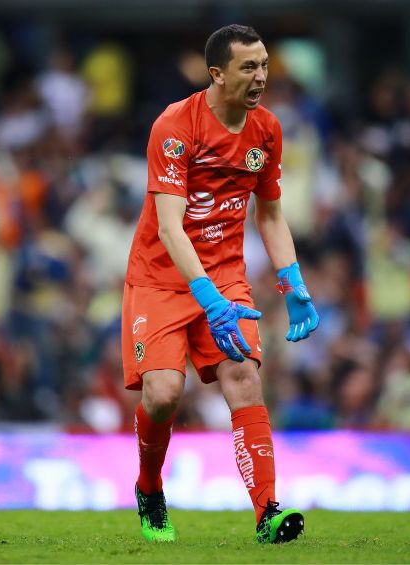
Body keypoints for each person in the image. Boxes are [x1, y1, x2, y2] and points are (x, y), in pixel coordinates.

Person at [121, 24, 319, 544]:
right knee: (163, 395)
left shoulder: (267, 130)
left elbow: (271, 216)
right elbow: (169, 227)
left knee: (245, 379)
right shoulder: (174, 126)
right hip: (161, 278)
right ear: (217, 74)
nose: (261, 77)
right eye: (248, 67)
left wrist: (292, 280)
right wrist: (208, 301)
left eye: (265, 65)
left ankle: (267, 513)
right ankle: (149, 489)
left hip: (225, 273)